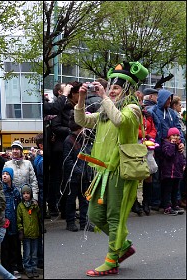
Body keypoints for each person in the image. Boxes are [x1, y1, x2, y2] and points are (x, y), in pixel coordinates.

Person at [74, 61, 149, 276]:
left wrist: (105, 98)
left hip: (119, 170)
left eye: (116, 88)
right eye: (111, 87)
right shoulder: (105, 112)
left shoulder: (132, 108)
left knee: (114, 217)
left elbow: (119, 121)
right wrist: (81, 97)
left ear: (126, 89)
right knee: (95, 216)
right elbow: (81, 119)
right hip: (102, 172)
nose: (112, 91)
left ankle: (112, 261)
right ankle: (123, 246)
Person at [0, 167, 22, 278]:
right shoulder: (0, 190)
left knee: (14, 246)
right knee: (4, 246)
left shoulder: (15, 191)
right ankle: (5, 268)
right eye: (3, 174)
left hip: (13, 222)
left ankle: (14, 267)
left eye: (7, 174)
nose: (5, 176)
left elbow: (18, 207)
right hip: (3, 222)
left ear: (11, 176)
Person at [159, 127, 185, 215]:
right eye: (173, 135)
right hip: (169, 172)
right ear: (169, 136)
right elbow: (169, 154)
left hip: (177, 172)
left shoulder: (179, 146)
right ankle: (167, 206)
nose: (176, 137)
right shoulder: (166, 144)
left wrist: (184, 164)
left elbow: (182, 156)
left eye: (177, 135)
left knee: (175, 189)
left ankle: (175, 205)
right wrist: (172, 145)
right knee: (167, 190)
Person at [16, 185, 41, 279]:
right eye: (24, 193)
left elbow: (38, 216)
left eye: (28, 193)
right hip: (26, 234)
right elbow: (19, 220)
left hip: (35, 233)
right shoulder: (20, 206)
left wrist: (36, 206)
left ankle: (34, 268)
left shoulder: (34, 205)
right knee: (27, 253)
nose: (26, 195)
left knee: (34, 253)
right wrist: (21, 230)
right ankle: (28, 268)